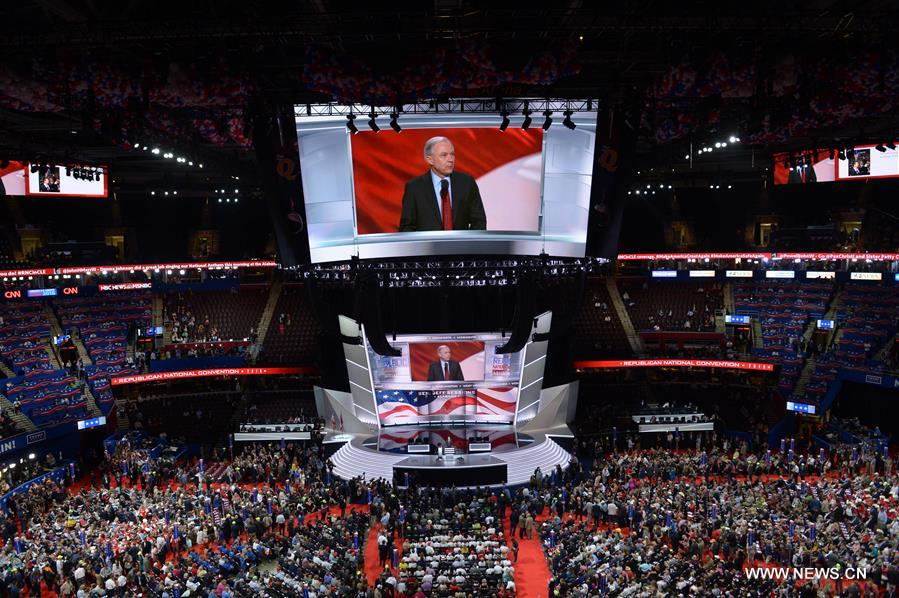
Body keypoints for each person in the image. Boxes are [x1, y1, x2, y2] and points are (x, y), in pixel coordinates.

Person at [398, 136, 487, 232]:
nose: (450, 159)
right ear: (430, 160)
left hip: (461, 242)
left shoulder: (466, 182)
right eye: (444, 155)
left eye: (452, 154)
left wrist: (469, 241)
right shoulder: (414, 187)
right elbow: (407, 227)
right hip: (428, 242)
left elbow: (479, 221)